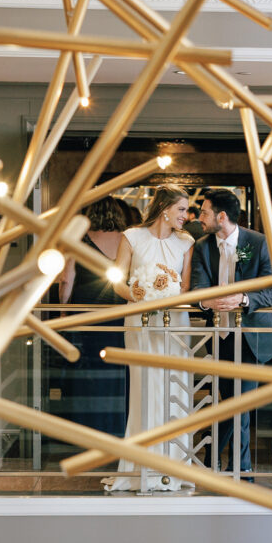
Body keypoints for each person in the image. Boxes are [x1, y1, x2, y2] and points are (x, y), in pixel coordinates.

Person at [102, 184, 195, 492]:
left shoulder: (186, 242)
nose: (186, 215)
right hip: (139, 319)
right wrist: (139, 296)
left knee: (175, 385)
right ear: (165, 209)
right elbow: (117, 282)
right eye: (181, 209)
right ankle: (142, 463)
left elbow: (184, 289)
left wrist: (165, 298)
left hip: (175, 322)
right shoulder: (132, 237)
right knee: (146, 386)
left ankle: (174, 464)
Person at [191, 188, 272, 473]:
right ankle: (214, 456)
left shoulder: (257, 242)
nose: (199, 217)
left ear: (222, 216)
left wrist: (244, 300)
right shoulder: (202, 246)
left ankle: (240, 471)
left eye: (204, 212)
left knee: (239, 403)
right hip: (220, 336)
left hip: (252, 336)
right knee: (229, 402)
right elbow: (197, 289)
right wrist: (206, 300)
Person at [55, 197, 128, 437]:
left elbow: (67, 278)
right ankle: (116, 426)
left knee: (87, 370)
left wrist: (63, 311)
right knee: (116, 369)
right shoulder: (127, 240)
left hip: (85, 312)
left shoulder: (78, 241)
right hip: (119, 311)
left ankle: (86, 428)